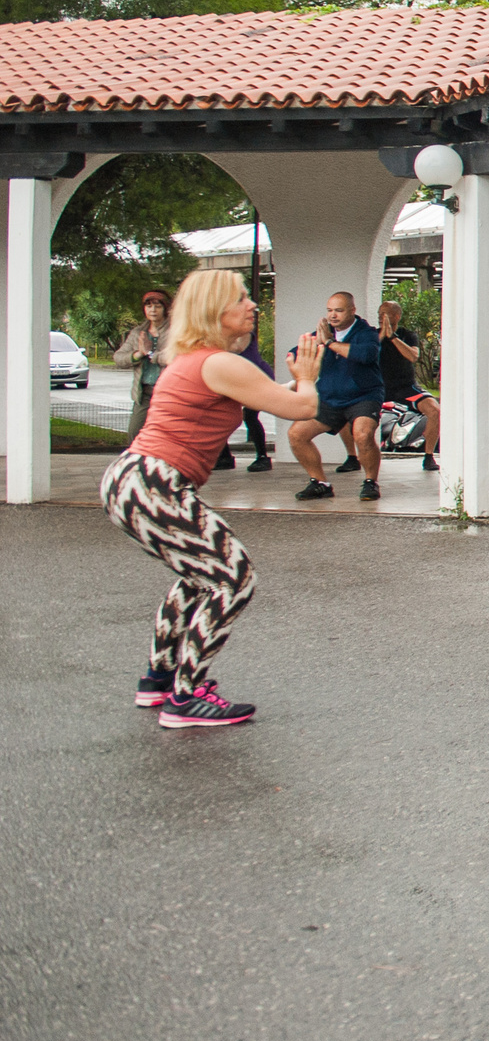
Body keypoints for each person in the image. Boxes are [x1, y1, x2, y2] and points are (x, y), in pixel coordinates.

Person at [111, 269, 327, 727]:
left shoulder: (198, 360)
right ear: (214, 310)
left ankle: (158, 680)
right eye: (241, 298)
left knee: (199, 577)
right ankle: (187, 697)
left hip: (134, 479)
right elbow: (304, 408)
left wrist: (295, 381)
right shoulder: (218, 362)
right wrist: (308, 378)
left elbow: (268, 395)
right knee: (234, 579)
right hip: (154, 482)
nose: (252, 305)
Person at [287, 291, 383, 501]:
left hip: (363, 396)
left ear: (352, 310)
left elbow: (366, 355)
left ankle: (370, 482)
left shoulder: (366, 332)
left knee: (363, 435)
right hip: (330, 398)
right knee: (297, 434)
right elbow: (294, 354)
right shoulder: (323, 333)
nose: (333, 315)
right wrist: (312, 346)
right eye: (329, 310)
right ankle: (320, 483)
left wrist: (329, 343)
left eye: (339, 311)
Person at [374, 300, 443, 474]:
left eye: (385, 314)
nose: (381, 318)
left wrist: (392, 337)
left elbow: (413, 356)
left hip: (405, 387)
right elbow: (367, 353)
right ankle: (353, 457)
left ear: (396, 316)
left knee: (435, 410)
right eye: (379, 314)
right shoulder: (372, 335)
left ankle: (429, 456)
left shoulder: (407, 335)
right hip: (377, 387)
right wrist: (382, 336)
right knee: (352, 411)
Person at [112, 288, 173, 439]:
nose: (153, 310)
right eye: (149, 306)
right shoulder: (138, 333)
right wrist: (138, 354)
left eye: (157, 306)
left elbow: (176, 357)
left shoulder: (174, 331)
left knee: (167, 435)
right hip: (144, 393)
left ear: (165, 308)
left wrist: (151, 354)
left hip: (169, 393)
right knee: (135, 432)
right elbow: (118, 357)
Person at [211, 338, 275, 474]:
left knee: (250, 416)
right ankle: (225, 457)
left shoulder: (243, 333)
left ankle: (263, 457)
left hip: (255, 377)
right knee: (219, 415)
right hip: (235, 378)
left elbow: (237, 347)